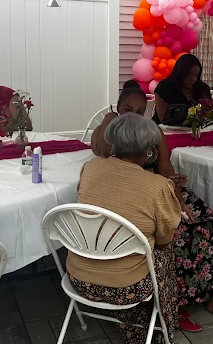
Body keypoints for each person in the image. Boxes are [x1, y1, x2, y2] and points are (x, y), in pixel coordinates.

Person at [91, 81, 213, 339]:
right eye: (127, 109)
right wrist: (109, 120)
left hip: (159, 188)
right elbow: (100, 150)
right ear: (117, 108)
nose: (134, 116)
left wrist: (178, 199)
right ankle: (178, 300)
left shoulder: (153, 132)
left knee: (203, 218)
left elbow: (165, 170)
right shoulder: (112, 132)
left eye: (140, 112)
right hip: (130, 196)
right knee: (176, 229)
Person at [67, 113, 180, 344]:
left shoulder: (90, 167)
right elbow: (164, 241)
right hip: (127, 288)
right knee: (162, 253)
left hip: (77, 281)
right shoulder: (158, 186)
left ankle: (134, 324)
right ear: (149, 150)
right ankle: (162, 329)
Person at [153, 54, 213, 124]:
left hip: (197, 129)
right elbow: (162, 117)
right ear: (180, 72)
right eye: (189, 75)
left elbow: (212, 111)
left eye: (196, 76)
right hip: (165, 130)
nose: (193, 79)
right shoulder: (165, 86)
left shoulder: (202, 88)